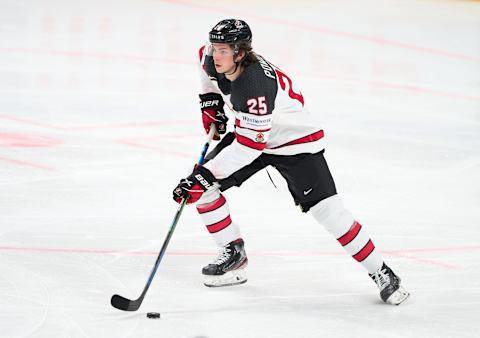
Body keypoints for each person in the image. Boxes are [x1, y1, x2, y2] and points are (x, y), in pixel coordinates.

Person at [172, 19, 409, 305]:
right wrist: (210, 103)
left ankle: (382, 272)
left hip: (296, 142)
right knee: (199, 184)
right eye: (215, 48)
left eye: (224, 50)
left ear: (240, 53)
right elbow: (205, 72)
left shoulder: (255, 84)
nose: (215, 55)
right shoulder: (210, 57)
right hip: (253, 131)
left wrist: (206, 175)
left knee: (329, 213)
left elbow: (249, 147)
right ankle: (233, 253)